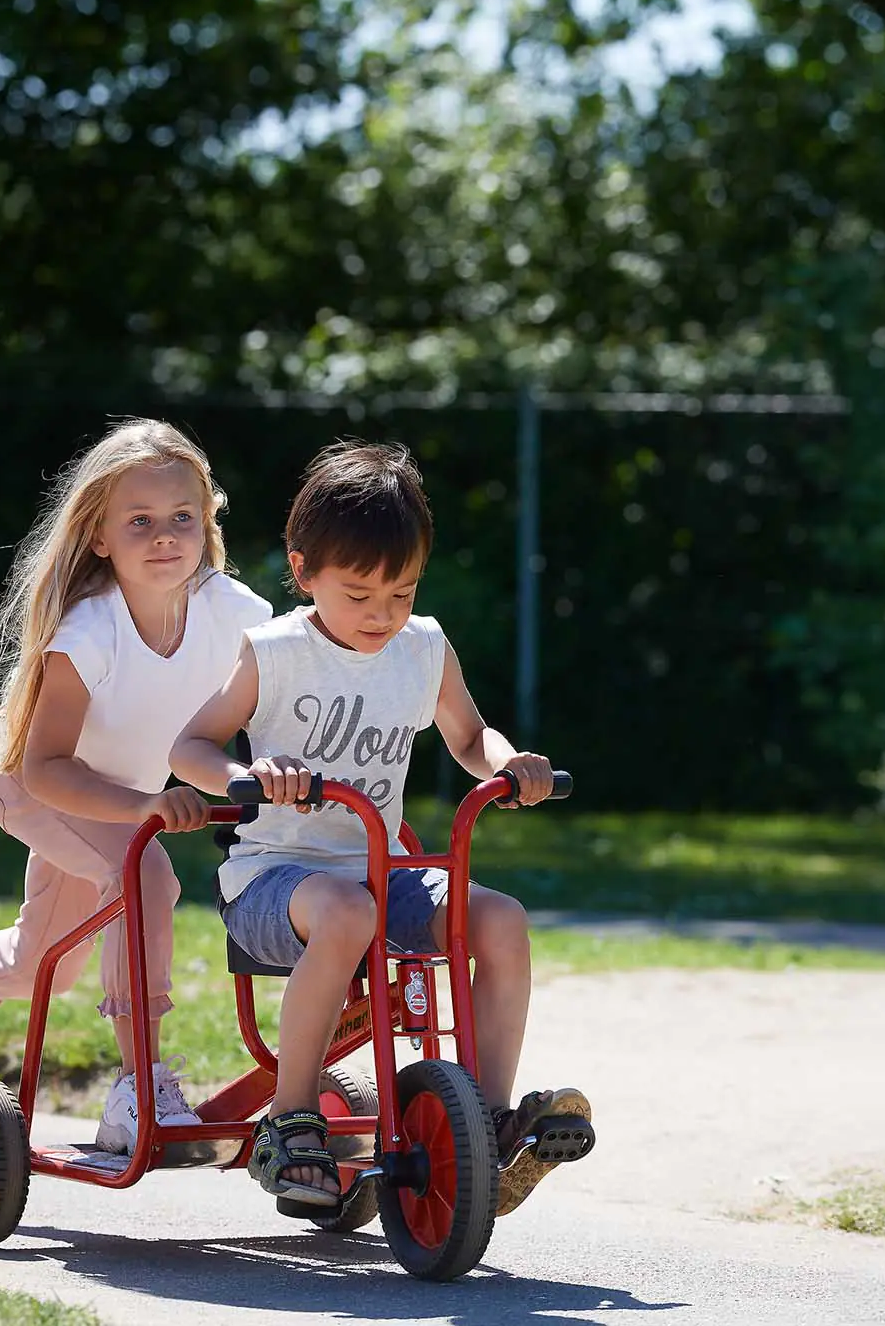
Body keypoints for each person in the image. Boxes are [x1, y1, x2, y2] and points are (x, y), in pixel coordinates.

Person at [170, 440, 592, 1216]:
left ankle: (486, 1130)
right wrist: (248, 778)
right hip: (275, 883)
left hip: (378, 874)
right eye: (360, 593)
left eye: (401, 592)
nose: (382, 614)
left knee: (499, 919)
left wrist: (509, 764)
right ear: (304, 573)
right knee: (348, 910)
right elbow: (189, 746)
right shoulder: (272, 654)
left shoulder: (422, 646)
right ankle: (290, 1121)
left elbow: (469, 739)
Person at [0, 418, 271, 1155]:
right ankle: (139, 1086)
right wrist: (145, 807)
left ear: (207, 521)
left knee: (40, 964)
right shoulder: (89, 632)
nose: (165, 536)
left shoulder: (232, 612)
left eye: (182, 517)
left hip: (118, 795)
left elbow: (282, 689)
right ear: (100, 537)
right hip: (32, 780)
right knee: (143, 874)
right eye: (140, 521)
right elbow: (45, 766)